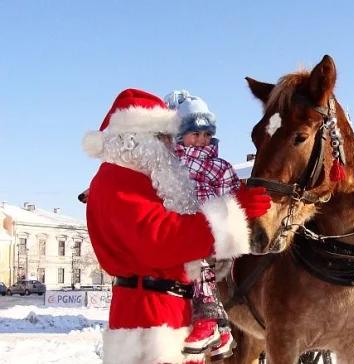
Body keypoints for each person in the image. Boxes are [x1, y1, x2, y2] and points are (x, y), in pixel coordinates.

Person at [81, 88, 271, 364]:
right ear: (135, 138)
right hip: (148, 318)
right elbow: (163, 239)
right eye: (162, 137)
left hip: (165, 310)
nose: (171, 147)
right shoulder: (118, 180)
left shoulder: (141, 179)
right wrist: (233, 212)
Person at [165, 90, 239, 360]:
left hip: (207, 226)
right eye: (195, 134)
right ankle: (220, 328)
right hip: (175, 225)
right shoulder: (167, 162)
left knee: (198, 263)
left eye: (206, 134)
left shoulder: (219, 166)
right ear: (179, 135)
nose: (201, 140)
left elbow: (231, 195)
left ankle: (209, 320)